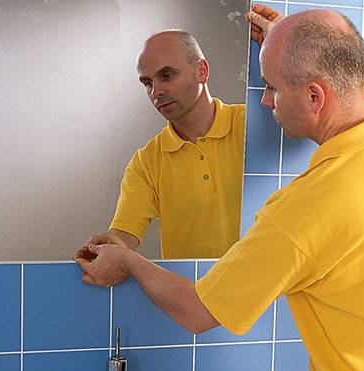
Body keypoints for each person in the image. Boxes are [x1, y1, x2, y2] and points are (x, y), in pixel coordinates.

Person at [76, 6, 364, 371]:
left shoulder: (301, 211)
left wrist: (130, 264)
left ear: (314, 95)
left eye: (272, 87)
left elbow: (199, 311)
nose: (266, 102)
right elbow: (341, 79)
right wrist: (289, 42)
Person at [74, 30, 245, 260]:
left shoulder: (252, 125)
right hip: (192, 292)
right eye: (147, 83)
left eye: (166, 76)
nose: (156, 92)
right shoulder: (145, 163)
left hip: (272, 290)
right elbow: (124, 235)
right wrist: (108, 247)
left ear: (201, 71)